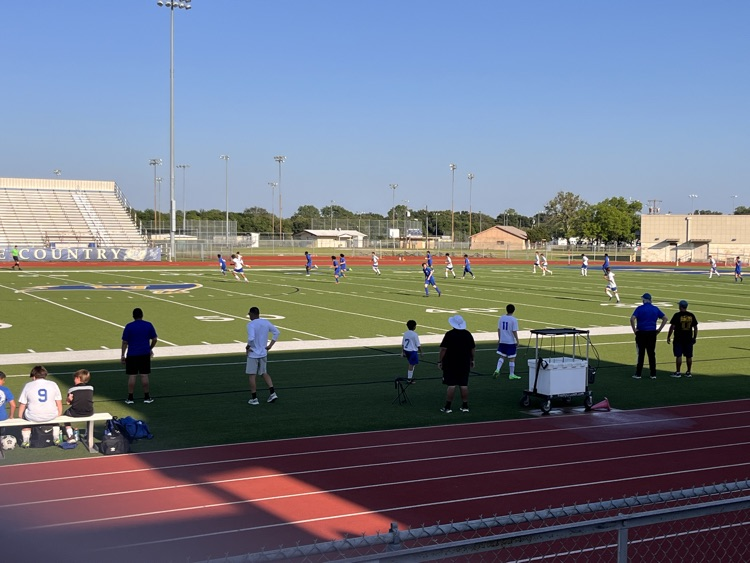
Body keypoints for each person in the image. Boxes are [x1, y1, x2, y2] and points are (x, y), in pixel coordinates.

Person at [438, 315, 475, 413]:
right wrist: (472, 360)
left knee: (451, 385)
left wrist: (440, 361)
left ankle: (448, 407)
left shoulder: (449, 334)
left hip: (451, 363)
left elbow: (443, 349)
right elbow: (472, 349)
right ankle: (465, 406)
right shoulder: (467, 334)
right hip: (464, 362)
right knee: (463, 384)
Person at [18, 366, 63, 447]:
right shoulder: (53, 384)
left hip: (33, 416)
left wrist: (21, 417)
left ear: (34, 376)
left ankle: (26, 440)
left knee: (26, 419)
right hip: (51, 415)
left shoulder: (28, 385)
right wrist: (58, 414)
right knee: (54, 414)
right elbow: (59, 402)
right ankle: (56, 437)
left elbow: (22, 403)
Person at [121, 307, 158, 404]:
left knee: (132, 376)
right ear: (142, 315)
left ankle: (130, 398)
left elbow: (125, 342)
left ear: (133, 316)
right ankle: (146, 397)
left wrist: (122, 355)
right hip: (144, 354)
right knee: (144, 375)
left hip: (132, 354)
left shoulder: (129, 326)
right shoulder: (148, 325)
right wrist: (150, 348)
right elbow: (154, 339)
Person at [245, 306, 280, 405]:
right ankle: (272, 393)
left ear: (252, 314)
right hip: (263, 352)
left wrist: (248, 347)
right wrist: (270, 346)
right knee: (264, 372)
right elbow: (276, 332)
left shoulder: (250, 325)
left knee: (252, 375)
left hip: (253, 354)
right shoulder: (266, 322)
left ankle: (254, 398)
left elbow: (251, 338)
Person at [630, 293, 667, 380]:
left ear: (644, 300)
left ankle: (638, 374)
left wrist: (634, 330)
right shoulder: (655, 309)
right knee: (651, 354)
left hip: (641, 333)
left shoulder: (640, 308)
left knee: (641, 354)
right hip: (652, 333)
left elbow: (632, 319)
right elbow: (665, 318)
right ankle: (653, 374)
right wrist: (659, 330)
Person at [667, 300, 698, 378]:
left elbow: (672, 327)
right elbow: (695, 327)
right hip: (688, 338)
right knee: (689, 356)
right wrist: (694, 337)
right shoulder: (691, 315)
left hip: (678, 338)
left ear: (680, 306)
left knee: (678, 355)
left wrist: (668, 336)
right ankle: (688, 372)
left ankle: (678, 372)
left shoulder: (677, 315)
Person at [63, 369, 94, 442]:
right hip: (89, 412)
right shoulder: (91, 388)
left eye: (75, 378)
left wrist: (69, 399)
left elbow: (68, 403)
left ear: (78, 378)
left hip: (75, 412)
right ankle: (87, 433)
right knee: (89, 412)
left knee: (65, 415)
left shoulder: (72, 389)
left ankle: (70, 434)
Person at [494, 304, 521, 380]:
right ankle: (511, 374)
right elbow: (514, 331)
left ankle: (497, 369)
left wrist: (499, 339)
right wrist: (517, 340)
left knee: (502, 356)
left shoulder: (501, 318)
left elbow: (499, 329)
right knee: (512, 358)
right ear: (513, 310)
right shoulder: (513, 320)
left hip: (503, 340)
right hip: (510, 341)